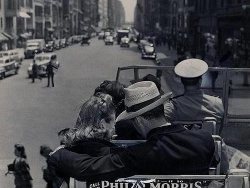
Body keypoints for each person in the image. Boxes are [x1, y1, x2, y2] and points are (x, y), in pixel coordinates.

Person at [48, 81, 215, 181]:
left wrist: (60, 154)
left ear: (139, 120)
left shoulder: (142, 155)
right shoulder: (205, 140)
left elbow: (89, 169)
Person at [164, 59, 224, 126]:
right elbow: (219, 128)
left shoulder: (173, 106)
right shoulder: (217, 103)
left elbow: (161, 122)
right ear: (200, 81)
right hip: (208, 136)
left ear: (182, 82)